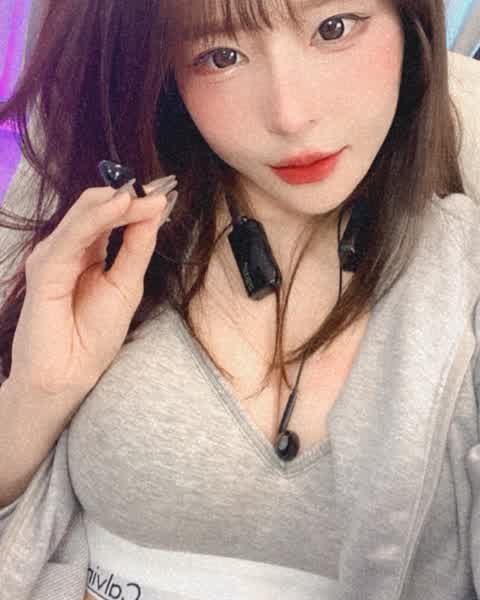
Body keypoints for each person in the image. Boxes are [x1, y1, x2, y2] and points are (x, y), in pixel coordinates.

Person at [0, 0, 479, 598]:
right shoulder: (88, 208)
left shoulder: (463, 271)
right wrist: (36, 395)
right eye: (220, 56)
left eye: (333, 29)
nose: (290, 116)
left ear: (409, 23)